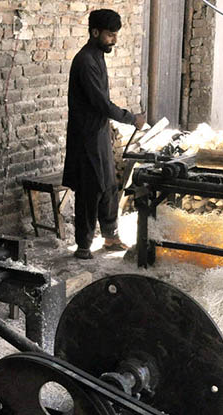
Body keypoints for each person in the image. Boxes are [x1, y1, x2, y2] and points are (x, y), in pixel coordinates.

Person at [62, 9, 146, 260]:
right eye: (110, 35)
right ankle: (84, 245)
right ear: (95, 32)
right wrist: (132, 119)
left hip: (98, 134)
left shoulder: (97, 56)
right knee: (90, 190)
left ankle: (110, 237)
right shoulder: (85, 60)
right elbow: (101, 103)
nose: (114, 40)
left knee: (109, 185)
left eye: (115, 35)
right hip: (85, 136)